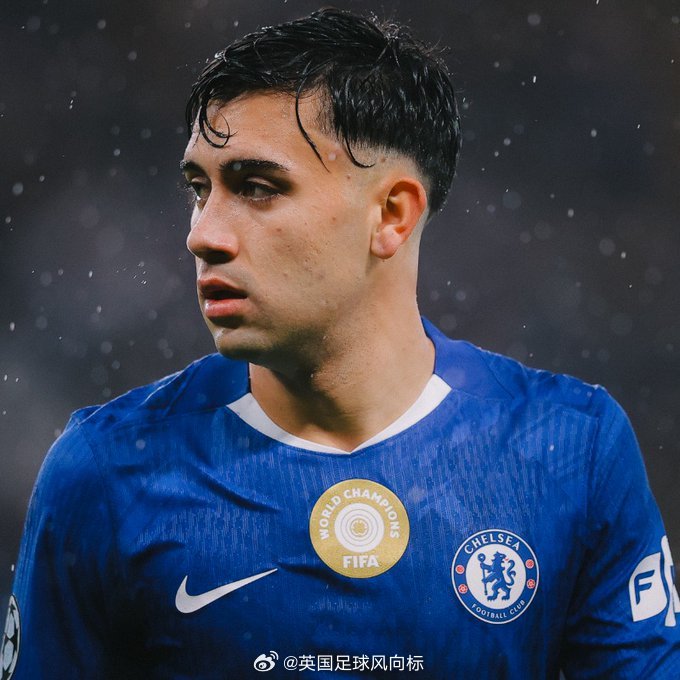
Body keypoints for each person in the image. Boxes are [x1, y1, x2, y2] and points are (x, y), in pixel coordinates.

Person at [2, 7, 679, 679]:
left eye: (257, 187)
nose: (202, 234)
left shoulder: (572, 450)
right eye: (199, 189)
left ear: (391, 214)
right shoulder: (105, 470)